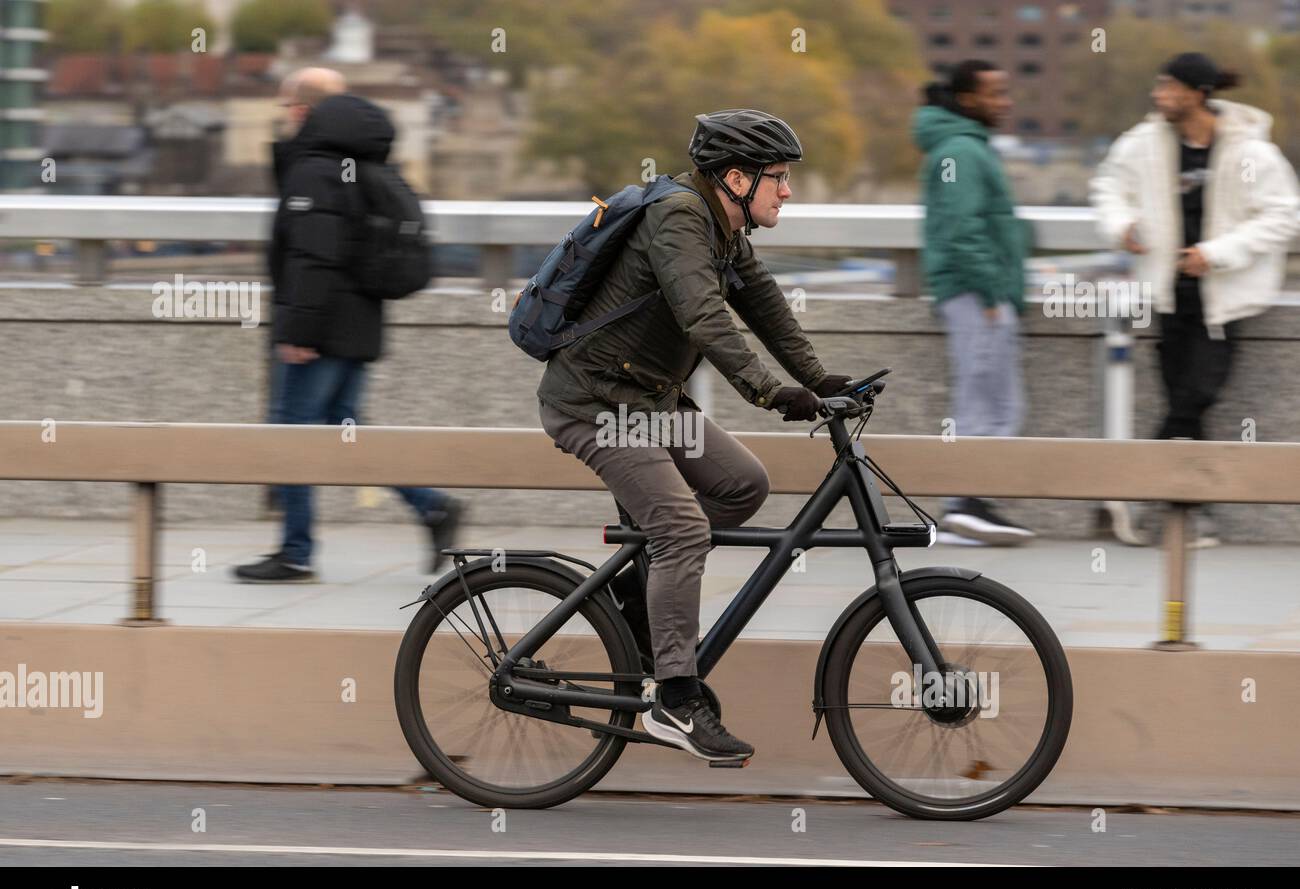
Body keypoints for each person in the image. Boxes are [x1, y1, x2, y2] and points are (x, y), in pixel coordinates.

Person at [536, 109, 851, 762]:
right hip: (595, 406)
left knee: (743, 485)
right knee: (683, 528)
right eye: (780, 178)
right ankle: (674, 700)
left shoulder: (725, 227)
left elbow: (763, 306)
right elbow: (704, 317)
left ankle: (640, 594)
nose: (787, 191)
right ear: (736, 177)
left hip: (648, 402)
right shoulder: (680, 218)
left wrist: (821, 381)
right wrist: (771, 392)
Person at [234, 69, 462, 583]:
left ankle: (294, 552)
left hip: (321, 331)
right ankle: (432, 507)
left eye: (286, 105)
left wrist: (298, 333)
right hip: (357, 326)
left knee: (290, 433)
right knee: (347, 430)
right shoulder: (360, 163)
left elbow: (313, 257)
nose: (283, 115)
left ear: (303, 110)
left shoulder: (316, 169)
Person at [1090, 53, 1300, 547]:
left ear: (1198, 93)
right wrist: (1122, 226)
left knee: (1195, 396)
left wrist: (1216, 253)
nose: (1158, 94)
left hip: (1223, 299)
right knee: (1186, 404)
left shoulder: (1251, 152)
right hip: (1167, 297)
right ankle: (1190, 514)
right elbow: (1107, 187)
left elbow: (1284, 216)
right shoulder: (1142, 144)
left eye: (1169, 86)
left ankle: (1130, 488)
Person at [913, 60, 1035, 546]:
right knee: (984, 400)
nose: (1005, 102)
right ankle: (962, 506)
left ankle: (973, 503)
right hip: (975, 294)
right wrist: (990, 290)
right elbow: (963, 230)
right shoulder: (961, 151)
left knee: (999, 402)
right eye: (996, 93)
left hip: (981, 291)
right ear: (967, 99)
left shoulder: (967, 147)